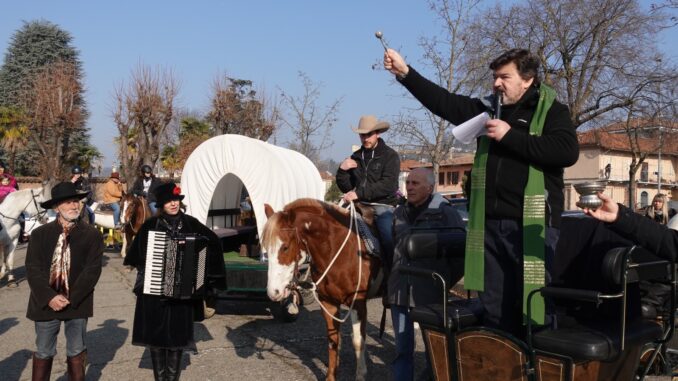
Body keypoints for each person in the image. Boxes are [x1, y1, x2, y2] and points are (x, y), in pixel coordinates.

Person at [384, 48, 579, 336]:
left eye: (505, 77)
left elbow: (566, 152)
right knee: (494, 308)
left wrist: (509, 135)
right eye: (495, 77)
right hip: (488, 227)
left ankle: (537, 366)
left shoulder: (552, 111)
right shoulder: (488, 110)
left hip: (532, 228)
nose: (496, 83)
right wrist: (406, 73)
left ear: (527, 79)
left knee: (534, 306)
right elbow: (445, 103)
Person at [123, 182, 226, 381]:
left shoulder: (191, 223)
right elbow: (135, 256)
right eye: (169, 201)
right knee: (156, 339)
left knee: (177, 338)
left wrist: (202, 273)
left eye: (176, 200)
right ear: (161, 203)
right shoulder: (150, 225)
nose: (173, 204)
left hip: (183, 293)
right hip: (154, 293)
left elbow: (213, 243)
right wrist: (148, 269)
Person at [389, 168, 465, 381]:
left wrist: (441, 281)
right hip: (399, 294)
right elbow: (394, 251)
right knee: (402, 351)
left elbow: (461, 254)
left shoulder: (445, 213)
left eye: (415, 183)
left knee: (436, 350)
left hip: (429, 296)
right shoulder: (398, 213)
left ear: (430, 188)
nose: (410, 187)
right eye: (408, 182)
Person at [25, 182, 104, 381]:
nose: (74, 206)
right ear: (56, 207)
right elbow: (33, 269)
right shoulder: (39, 235)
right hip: (45, 302)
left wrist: (70, 297)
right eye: (68, 203)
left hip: (77, 302)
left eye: (76, 201)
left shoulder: (92, 235)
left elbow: (92, 271)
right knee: (44, 351)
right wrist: (50, 297)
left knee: (77, 350)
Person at [336, 115, 401, 266]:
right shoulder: (356, 157)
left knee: (388, 238)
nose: (365, 138)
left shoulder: (390, 156)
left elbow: (389, 185)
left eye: (369, 134)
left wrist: (358, 194)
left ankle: (393, 273)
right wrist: (342, 171)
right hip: (358, 205)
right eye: (362, 134)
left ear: (377, 133)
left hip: (383, 206)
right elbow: (346, 187)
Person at [584, 192, 677, 262]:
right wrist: (620, 216)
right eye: (655, 201)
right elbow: (664, 240)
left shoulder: (671, 214)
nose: (657, 203)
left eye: (659, 202)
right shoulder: (648, 212)